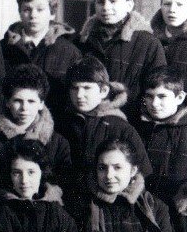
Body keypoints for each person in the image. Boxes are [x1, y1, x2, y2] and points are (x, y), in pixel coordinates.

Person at [75, 139, 183, 232]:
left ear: (133, 170)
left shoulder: (153, 208)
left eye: (117, 167)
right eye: (102, 168)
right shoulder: (83, 207)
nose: (109, 175)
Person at [0, 64, 72, 203]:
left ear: (41, 104)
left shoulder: (58, 143)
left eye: (31, 101)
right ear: (7, 102)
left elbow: (63, 184)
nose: (24, 108)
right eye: (18, 101)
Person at [58, 56, 151, 200]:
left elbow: (143, 172)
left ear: (103, 91)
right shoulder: (63, 124)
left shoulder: (120, 127)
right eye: (75, 88)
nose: (79, 95)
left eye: (87, 88)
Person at [75, 0, 166, 119]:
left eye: (113, 1)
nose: (106, 7)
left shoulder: (148, 43)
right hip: (88, 119)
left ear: (129, 5)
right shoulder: (83, 41)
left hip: (130, 121)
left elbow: (157, 89)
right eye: (100, 2)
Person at [1, 0, 82, 116]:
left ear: (52, 13)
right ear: (20, 12)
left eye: (40, 9)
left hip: (55, 123)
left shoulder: (69, 52)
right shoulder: (3, 48)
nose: (33, 15)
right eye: (27, 9)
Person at [137, 66, 187, 199]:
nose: (154, 103)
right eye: (149, 96)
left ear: (179, 98)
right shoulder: (136, 129)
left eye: (162, 96)